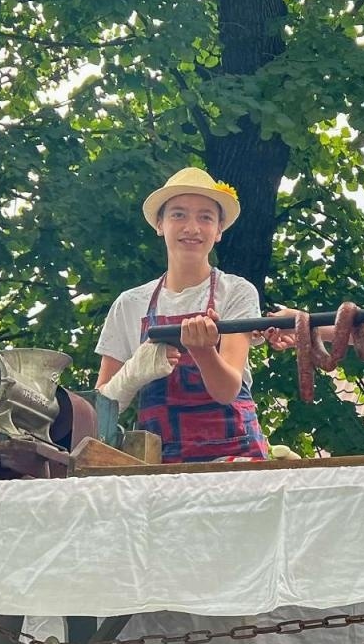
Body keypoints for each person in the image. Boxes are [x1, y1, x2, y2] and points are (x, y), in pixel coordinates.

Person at [95, 167, 269, 462]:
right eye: (178, 214)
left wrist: (203, 352)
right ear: (159, 224)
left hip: (235, 459)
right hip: (157, 464)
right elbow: (98, 414)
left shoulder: (237, 292)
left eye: (205, 217)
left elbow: (228, 390)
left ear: (219, 231)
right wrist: (133, 373)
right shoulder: (130, 304)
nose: (192, 227)